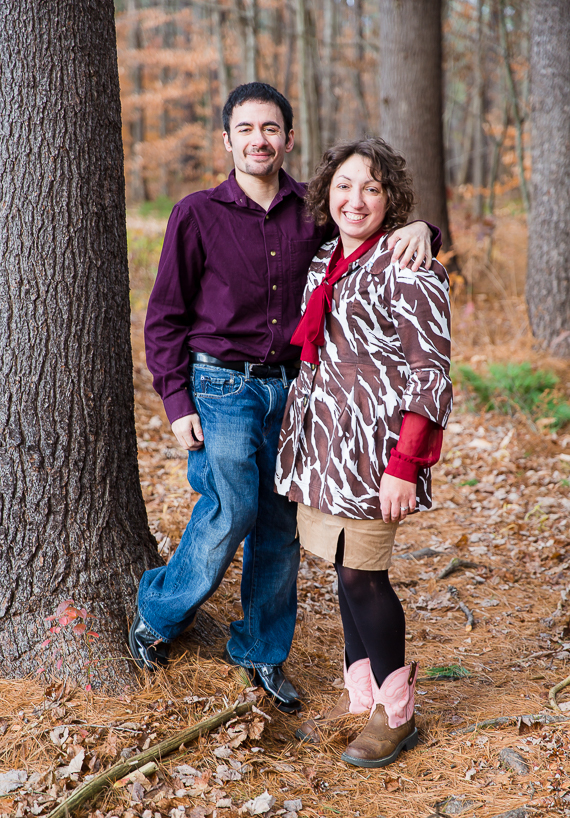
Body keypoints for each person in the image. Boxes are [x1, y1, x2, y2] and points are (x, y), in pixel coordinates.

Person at [129, 82, 440, 713]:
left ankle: (262, 653)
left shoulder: (313, 208)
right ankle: (160, 611)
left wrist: (423, 229)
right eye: (245, 129)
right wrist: (176, 400)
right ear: (227, 140)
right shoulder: (196, 212)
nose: (258, 140)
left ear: (288, 139)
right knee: (235, 506)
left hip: (295, 391)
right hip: (221, 384)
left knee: (280, 525)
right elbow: (163, 316)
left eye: (270, 128)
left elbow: (368, 232)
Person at [275, 138, 452, 762]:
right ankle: (362, 695)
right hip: (322, 443)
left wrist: (405, 465)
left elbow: (431, 374)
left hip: (376, 450)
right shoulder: (325, 257)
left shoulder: (408, 264)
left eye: (372, 188)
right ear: (327, 191)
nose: (355, 199)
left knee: (363, 574)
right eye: (345, 185)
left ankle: (397, 711)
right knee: (340, 567)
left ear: (391, 199)